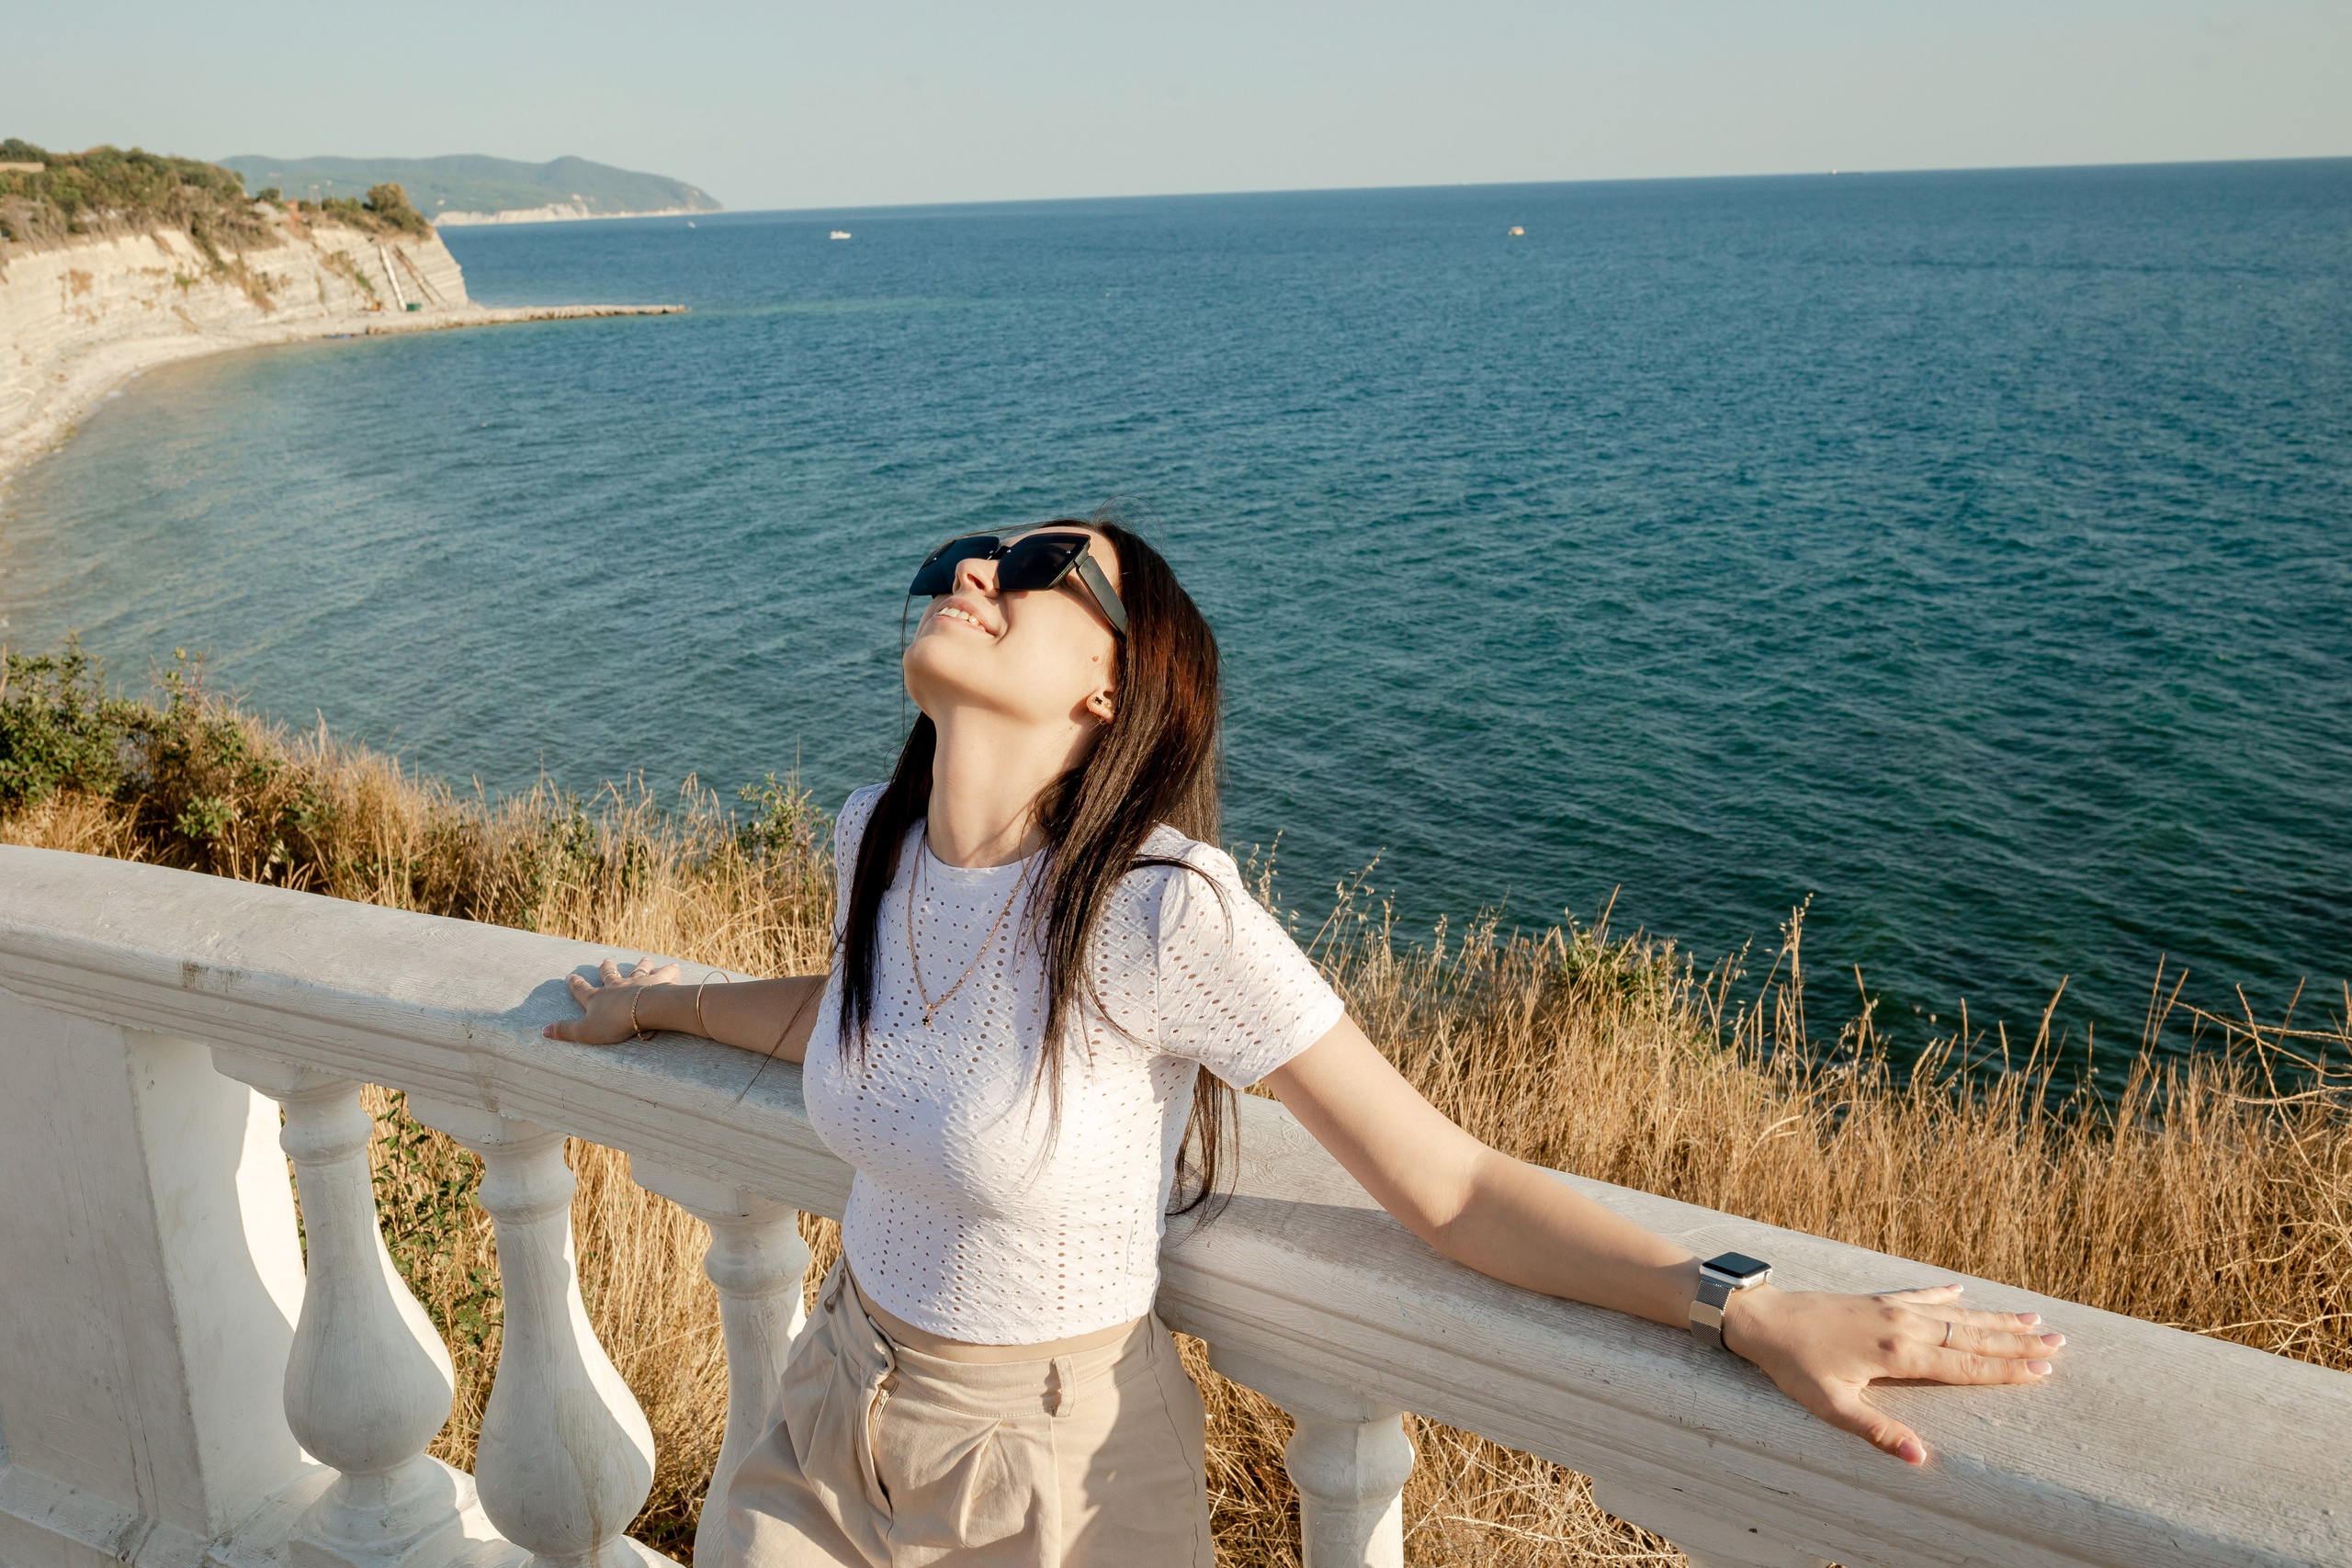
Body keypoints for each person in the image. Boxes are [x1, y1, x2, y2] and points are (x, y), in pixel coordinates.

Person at [543, 520, 2063, 1568]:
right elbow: (863, 1009)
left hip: (1042, 1479)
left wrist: (1735, 1303)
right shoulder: (872, 837)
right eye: (966, 556)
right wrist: (663, 1001)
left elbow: (1450, 1187)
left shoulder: (1158, 912)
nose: (979, 571)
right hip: (827, 1402)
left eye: (1048, 567)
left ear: (1112, 683)